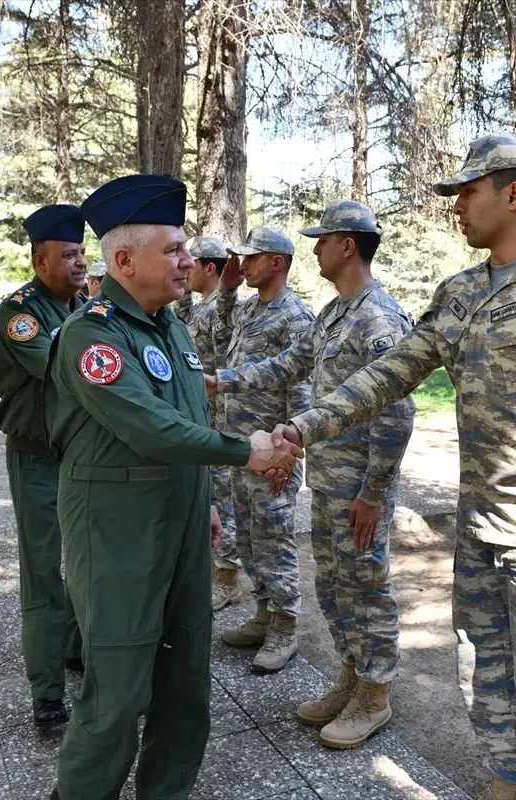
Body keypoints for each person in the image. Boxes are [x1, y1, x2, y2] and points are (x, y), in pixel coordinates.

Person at [274, 133, 516, 800]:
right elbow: (389, 375)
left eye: (467, 192)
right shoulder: (460, 293)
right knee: (482, 674)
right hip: (478, 532)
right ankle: (505, 781)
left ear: (513, 193)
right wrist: (302, 426)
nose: (457, 207)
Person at [44, 174, 304, 800]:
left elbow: (189, 421)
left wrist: (207, 504)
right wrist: (249, 451)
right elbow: (152, 428)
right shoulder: (93, 335)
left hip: (184, 528)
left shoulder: (172, 328)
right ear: (125, 260)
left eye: (187, 250)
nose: (191, 262)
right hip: (119, 539)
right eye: (175, 251)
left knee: (186, 687)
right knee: (118, 695)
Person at [210, 200, 415, 749]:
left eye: (322, 240)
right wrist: (222, 381)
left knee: (366, 586)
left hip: (359, 487)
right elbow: (285, 366)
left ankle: (375, 697)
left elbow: (397, 411)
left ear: (348, 246)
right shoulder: (333, 314)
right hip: (328, 480)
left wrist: (374, 492)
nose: (316, 249)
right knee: (334, 584)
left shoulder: (378, 318)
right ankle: (349, 678)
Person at [0, 204, 89, 729]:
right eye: (67, 255)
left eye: (81, 253)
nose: (79, 263)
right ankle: (47, 694)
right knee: (44, 574)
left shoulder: (83, 305)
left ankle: (73, 649)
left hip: (79, 456)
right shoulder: (19, 312)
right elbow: (64, 366)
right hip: (37, 459)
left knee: (86, 564)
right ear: (39, 260)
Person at [216, 226, 313, 674]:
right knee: (249, 542)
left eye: (253, 258)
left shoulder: (294, 317)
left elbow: (302, 390)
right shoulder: (252, 309)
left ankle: (285, 628)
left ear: (278, 262)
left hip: (272, 454)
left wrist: (289, 455)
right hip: (241, 449)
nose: (244, 264)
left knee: (275, 544)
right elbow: (221, 342)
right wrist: (227, 292)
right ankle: (263, 613)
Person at [184, 234, 243, 611]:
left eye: (191, 262)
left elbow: (223, 360)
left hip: (220, 414)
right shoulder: (198, 308)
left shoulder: (217, 312)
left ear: (209, 267)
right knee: (215, 495)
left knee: (223, 498)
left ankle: (228, 579)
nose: (184, 269)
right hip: (205, 415)